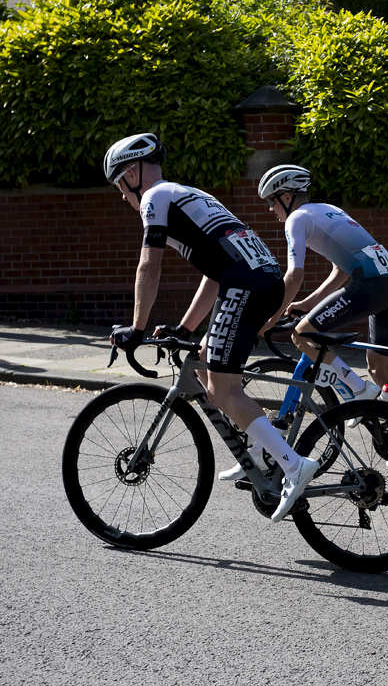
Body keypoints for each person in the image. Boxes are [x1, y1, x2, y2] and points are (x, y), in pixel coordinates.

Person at [103, 133, 318, 523]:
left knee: (222, 387)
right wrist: (186, 328)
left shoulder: (155, 198)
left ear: (134, 172)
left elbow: (148, 266)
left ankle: (293, 464)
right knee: (203, 364)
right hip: (259, 281)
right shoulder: (188, 194)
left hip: (246, 285)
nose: (122, 195)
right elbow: (215, 275)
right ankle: (258, 451)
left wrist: (137, 328)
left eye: (120, 184)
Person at [256, 164, 388, 397]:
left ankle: (359, 388)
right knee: (378, 368)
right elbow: (341, 271)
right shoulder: (329, 209)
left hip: (371, 283)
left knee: (302, 333)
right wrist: (307, 304)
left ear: (286, 196)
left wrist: (271, 318)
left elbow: (294, 275)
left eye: (271, 201)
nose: (270, 209)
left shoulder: (296, 219)